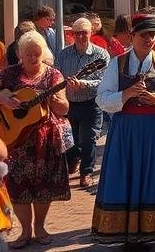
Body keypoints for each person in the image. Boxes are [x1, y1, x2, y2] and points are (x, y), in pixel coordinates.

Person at [92, 13, 155, 247]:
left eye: (153, 35)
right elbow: (102, 98)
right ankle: (125, 233)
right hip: (126, 131)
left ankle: (152, 231)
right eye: (144, 35)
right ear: (132, 36)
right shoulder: (118, 63)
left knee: (153, 179)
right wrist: (125, 95)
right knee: (125, 176)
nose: (149, 39)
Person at [0, 31, 70, 247]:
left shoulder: (53, 76)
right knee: (17, 185)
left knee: (44, 185)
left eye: (37, 53)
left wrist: (53, 100)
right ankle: (25, 231)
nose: (33, 57)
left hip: (45, 139)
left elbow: (64, 109)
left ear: (43, 53)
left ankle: (40, 227)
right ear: (20, 55)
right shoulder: (9, 74)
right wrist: (1, 99)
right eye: (28, 54)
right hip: (15, 142)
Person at [55, 17, 110, 190]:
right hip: (69, 103)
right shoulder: (64, 54)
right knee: (70, 140)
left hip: (91, 103)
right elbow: (57, 76)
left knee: (89, 139)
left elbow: (105, 81)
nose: (80, 37)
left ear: (90, 33)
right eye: (76, 33)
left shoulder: (101, 54)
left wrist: (84, 84)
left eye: (84, 33)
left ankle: (86, 172)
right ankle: (74, 158)